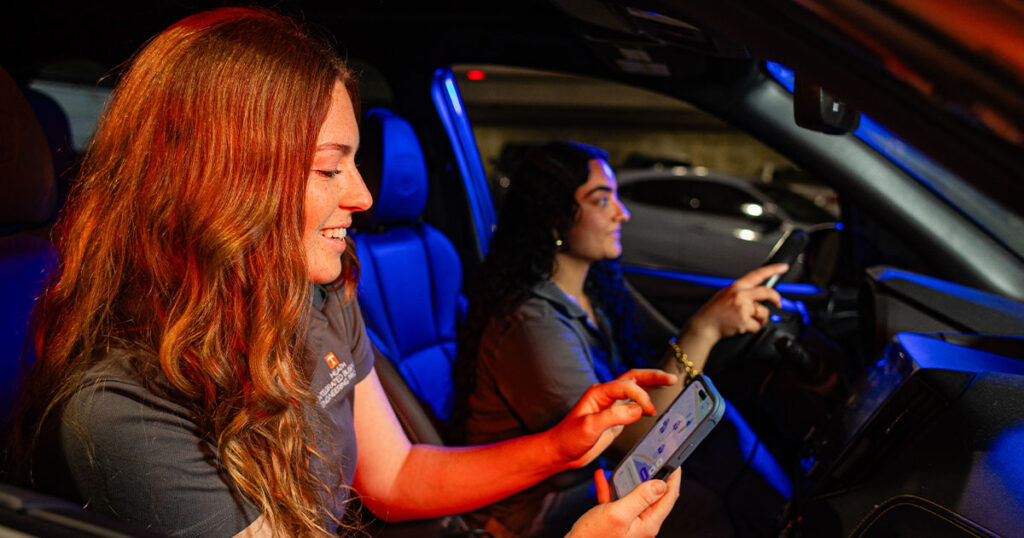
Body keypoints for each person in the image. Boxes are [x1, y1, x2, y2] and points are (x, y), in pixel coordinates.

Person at [8, 9, 683, 538]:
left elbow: (394, 475)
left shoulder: (320, 292)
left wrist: (559, 448)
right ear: (225, 181)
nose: (362, 195)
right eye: (329, 167)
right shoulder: (124, 408)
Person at [451, 142, 791, 537]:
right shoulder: (530, 323)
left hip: (591, 478)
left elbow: (663, 355)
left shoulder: (594, 289)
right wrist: (706, 329)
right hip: (534, 511)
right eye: (601, 200)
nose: (622, 212)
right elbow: (627, 446)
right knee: (702, 506)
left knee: (722, 430)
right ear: (555, 216)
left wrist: (716, 321)